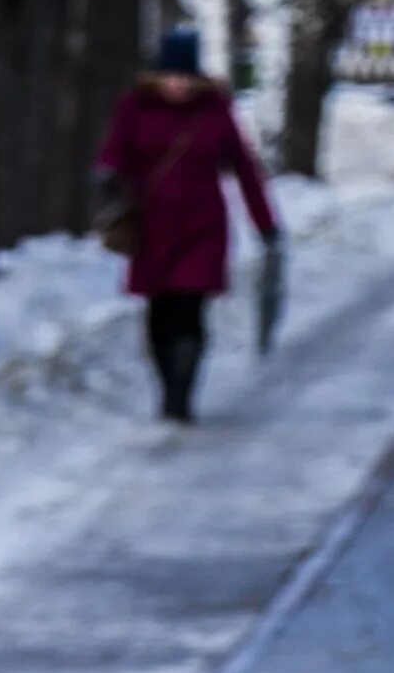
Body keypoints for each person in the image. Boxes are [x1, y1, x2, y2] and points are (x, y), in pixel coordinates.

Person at [95, 26, 280, 424]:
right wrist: (108, 176)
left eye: (184, 76)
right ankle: (167, 386)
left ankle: (182, 394)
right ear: (157, 75)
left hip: (202, 227)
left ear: (196, 76)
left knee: (190, 308)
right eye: (170, 75)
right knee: (159, 312)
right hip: (151, 227)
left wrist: (265, 224)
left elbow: (245, 170)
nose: (177, 84)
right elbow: (114, 152)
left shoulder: (214, 109)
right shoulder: (134, 107)